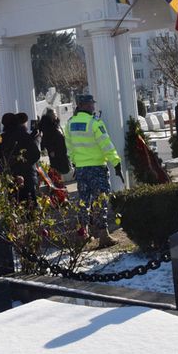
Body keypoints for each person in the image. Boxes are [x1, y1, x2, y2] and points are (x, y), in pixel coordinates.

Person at [65, 95, 122, 248]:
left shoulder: (70, 124)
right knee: (101, 201)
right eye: (90, 104)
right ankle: (104, 236)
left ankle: (83, 235)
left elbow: (69, 148)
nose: (93, 107)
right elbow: (106, 144)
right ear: (82, 105)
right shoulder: (94, 123)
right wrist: (116, 162)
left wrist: (76, 163)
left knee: (83, 202)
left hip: (81, 169)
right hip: (97, 168)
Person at [1, 111, 41, 207]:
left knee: (16, 205)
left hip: (11, 177)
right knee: (30, 205)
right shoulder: (23, 135)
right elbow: (35, 154)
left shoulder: (2, 139)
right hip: (27, 176)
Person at [38, 108, 71, 177]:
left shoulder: (55, 124)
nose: (56, 115)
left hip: (61, 148)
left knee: (63, 165)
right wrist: (51, 149)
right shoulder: (48, 126)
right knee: (58, 166)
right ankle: (58, 179)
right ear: (50, 115)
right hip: (55, 150)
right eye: (54, 113)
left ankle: (60, 178)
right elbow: (47, 138)